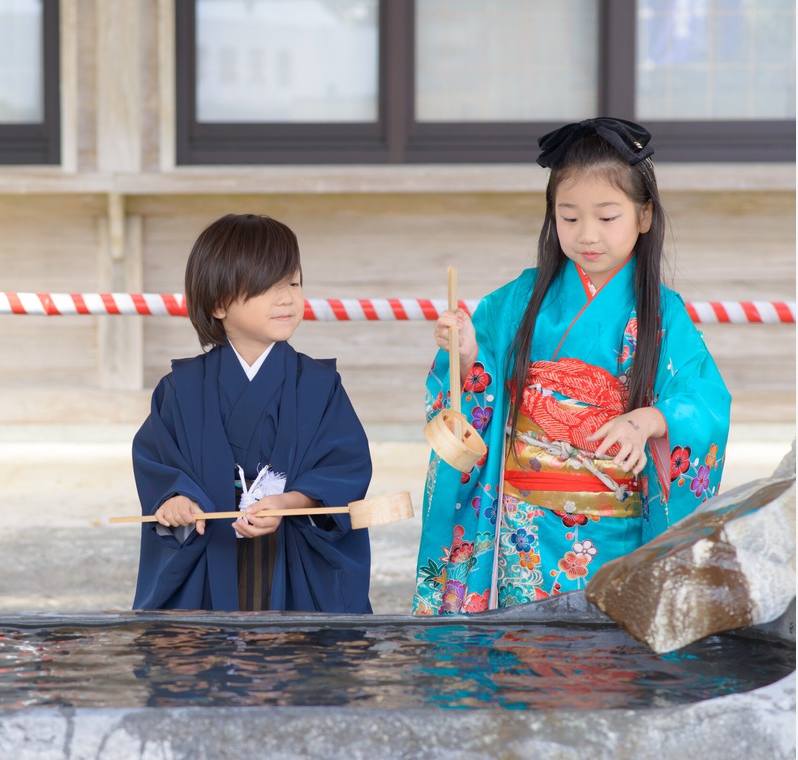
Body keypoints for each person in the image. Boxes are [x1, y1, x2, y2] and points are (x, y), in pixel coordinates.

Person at [412, 118, 731, 615]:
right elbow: (473, 386)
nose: (587, 236)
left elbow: (704, 398)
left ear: (644, 217)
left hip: (615, 533)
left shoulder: (662, 311)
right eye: (569, 217)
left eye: (607, 218)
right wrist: (468, 354)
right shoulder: (521, 297)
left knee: (605, 664)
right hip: (526, 536)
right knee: (527, 661)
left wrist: (644, 420)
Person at [132, 213, 374, 613]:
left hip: (292, 559)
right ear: (218, 303)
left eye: (294, 283)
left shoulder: (319, 385)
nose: (287, 299)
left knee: (297, 663)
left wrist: (288, 503)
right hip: (211, 559)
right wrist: (176, 499)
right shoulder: (181, 388)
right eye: (267, 287)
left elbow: (344, 470)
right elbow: (158, 463)